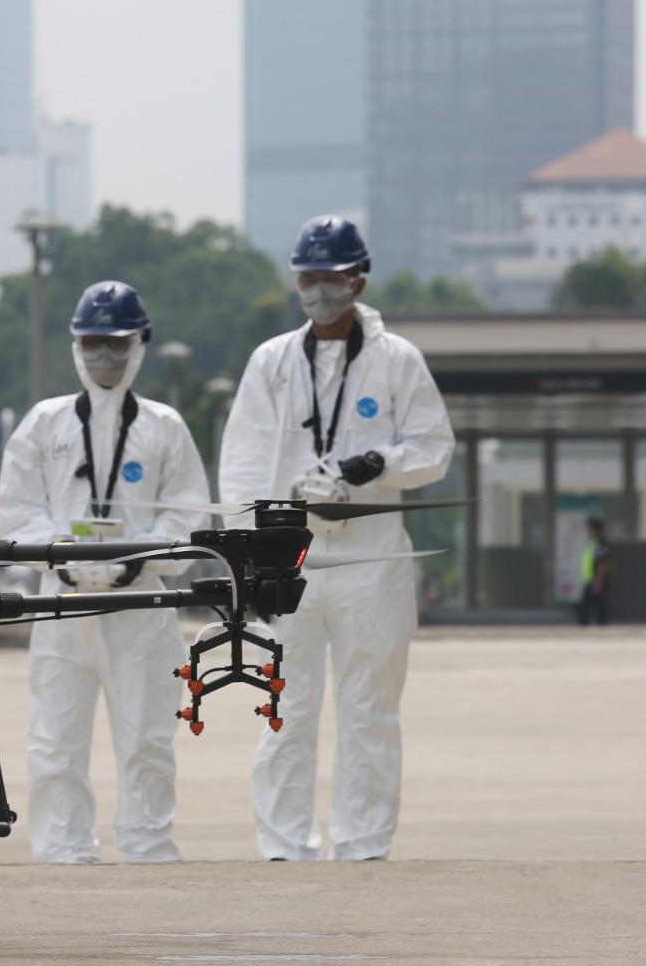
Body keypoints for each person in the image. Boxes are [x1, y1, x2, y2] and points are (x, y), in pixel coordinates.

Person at [218, 215, 454, 862]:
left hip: (369, 557)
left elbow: (433, 449)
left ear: (358, 278)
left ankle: (363, 842)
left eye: (331, 276)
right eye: (308, 276)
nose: (319, 288)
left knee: (368, 708)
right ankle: (282, 843)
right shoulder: (270, 362)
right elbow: (240, 463)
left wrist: (378, 464)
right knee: (283, 707)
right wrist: (247, 552)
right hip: (289, 559)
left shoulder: (395, 359)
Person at [0, 280, 211, 863]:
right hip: (60, 606)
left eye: (116, 344)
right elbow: (16, 508)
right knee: (55, 739)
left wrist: (141, 554)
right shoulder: (45, 423)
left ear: (139, 344)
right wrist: (59, 555)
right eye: (92, 342)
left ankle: (148, 846)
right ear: (74, 344)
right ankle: (63, 851)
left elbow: (188, 512)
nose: (104, 357)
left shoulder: (164, 426)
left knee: (147, 736)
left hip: (140, 606)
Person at [577, 516, 612, 625]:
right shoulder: (592, 543)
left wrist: (599, 581)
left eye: (590, 527)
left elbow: (603, 563)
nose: (588, 530)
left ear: (594, 529)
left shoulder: (600, 544)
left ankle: (601, 629)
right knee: (591, 607)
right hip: (591, 581)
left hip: (597, 581)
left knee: (594, 607)